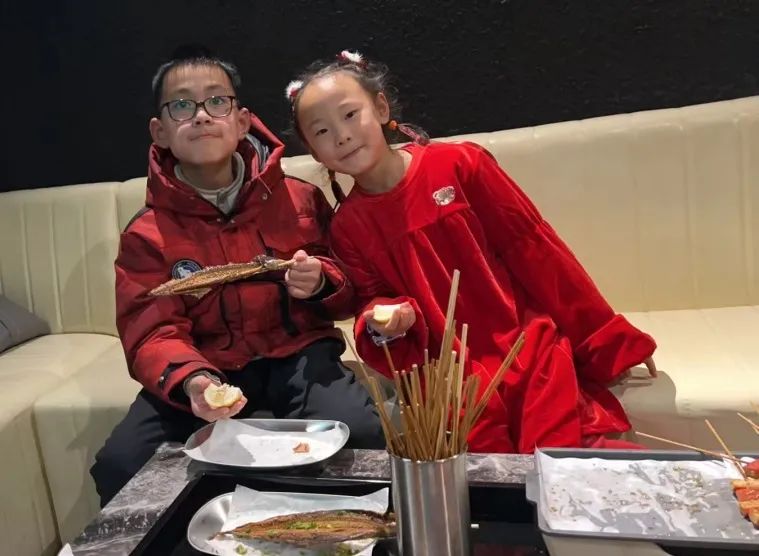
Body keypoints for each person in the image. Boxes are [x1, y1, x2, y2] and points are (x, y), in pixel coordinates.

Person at [285, 49, 658, 454]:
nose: (341, 135)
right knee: (483, 476)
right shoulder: (347, 227)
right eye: (321, 131)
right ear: (313, 151)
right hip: (449, 378)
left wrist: (606, 341)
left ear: (380, 107)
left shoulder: (462, 165)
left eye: (349, 114)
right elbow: (374, 299)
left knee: (563, 457)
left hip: (526, 347)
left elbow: (538, 253)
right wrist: (386, 319)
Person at [90, 46, 384, 507]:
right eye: (181, 105)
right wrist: (194, 381)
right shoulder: (146, 234)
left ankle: (347, 528)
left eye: (217, 101)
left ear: (243, 120)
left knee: (363, 434)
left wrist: (322, 281)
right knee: (122, 463)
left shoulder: (300, 199)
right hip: (207, 365)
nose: (201, 115)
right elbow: (151, 331)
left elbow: (349, 284)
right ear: (160, 131)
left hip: (299, 356)